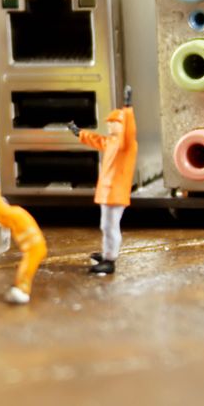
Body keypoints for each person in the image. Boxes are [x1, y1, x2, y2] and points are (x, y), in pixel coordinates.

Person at [68, 86, 137, 275]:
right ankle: (107, 253)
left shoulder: (127, 145)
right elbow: (95, 139)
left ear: (121, 125)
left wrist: (128, 108)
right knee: (106, 225)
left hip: (116, 193)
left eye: (113, 122)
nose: (109, 125)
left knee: (111, 226)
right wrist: (78, 132)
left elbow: (130, 131)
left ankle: (110, 259)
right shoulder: (111, 142)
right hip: (107, 192)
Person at [0, 152, 47, 305]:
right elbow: (0, 215)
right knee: (25, 268)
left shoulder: (14, 214)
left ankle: (22, 291)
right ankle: (20, 288)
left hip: (34, 248)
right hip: (34, 247)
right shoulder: (14, 213)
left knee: (25, 269)